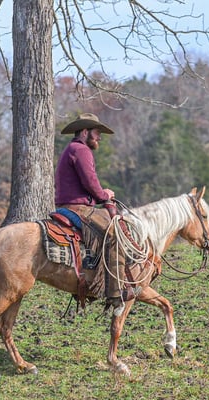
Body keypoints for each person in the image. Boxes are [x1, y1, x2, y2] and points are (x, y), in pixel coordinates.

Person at [54, 112, 133, 309]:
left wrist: (100, 194)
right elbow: (90, 182)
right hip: (77, 208)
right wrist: (105, 195)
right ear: (84, 132)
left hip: (70, 205)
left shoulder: (72, 149)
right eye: (97, 132)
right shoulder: (81, 150)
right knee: (114, 234)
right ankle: (115, 292)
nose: (99, 137)